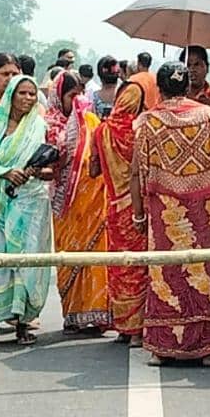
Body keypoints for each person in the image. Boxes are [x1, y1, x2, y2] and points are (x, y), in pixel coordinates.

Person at [131, 62, 210, 367]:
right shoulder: (209, 116)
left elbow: (137, 172)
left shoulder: (148, 122)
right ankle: (209, 347)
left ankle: (164, 348)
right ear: (187, 85)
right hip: (204, 213)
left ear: (161, 89)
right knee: (205, 274)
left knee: (166, 275)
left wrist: (139, 216)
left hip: (164, 213)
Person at [0, 76, 55, 347]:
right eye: (23, 93)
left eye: (32, 94)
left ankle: (23, 321)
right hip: (2, 203)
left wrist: (37, 172)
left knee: (27, 261)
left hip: (32, 202)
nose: (28, 99)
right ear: (10, 94)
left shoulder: (39, 126)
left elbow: (51, 167)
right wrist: (4, 173)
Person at [46, 71, 111, 334]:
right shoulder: (47, 124)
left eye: (78, 95)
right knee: (68, 255)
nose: (75, 101)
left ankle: (97, 312)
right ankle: (73, 313)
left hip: (92, 201)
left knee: (96, 254)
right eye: (70, 96)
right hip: (65, 204)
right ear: (57, 96)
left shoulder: (90, 119)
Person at [89, 82, 147, 346]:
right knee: (139, 267)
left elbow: (93, 170)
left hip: (113, 208)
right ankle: (138, 329)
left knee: (120, 267)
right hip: (137, 208)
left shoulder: (101, 131)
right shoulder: (139, 131)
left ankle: (124, 327)